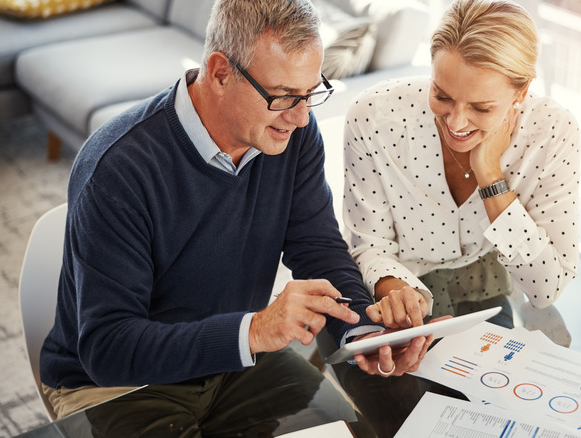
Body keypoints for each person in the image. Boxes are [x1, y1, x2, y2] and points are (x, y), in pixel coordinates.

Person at [38, 0, 435, 429]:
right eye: (283, 96)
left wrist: (366, 334)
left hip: (234, 360)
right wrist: (254, 331)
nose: (300, 117)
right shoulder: (119, 169)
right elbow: (108, 349)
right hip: (120, 385)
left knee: (351, 433)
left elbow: (317, 248)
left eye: (310, 93)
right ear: (220, 72)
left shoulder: (291, 136)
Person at [342, 0, 581, 330]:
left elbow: (546, 288)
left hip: (486, 287)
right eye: (442, 96)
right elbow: (369, 245)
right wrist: (399, 296)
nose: (455, 123)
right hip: (391, 287)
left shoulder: (552, 132)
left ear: (521, 92)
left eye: (481, 108)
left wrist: (490, 176)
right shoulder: (373, 117)